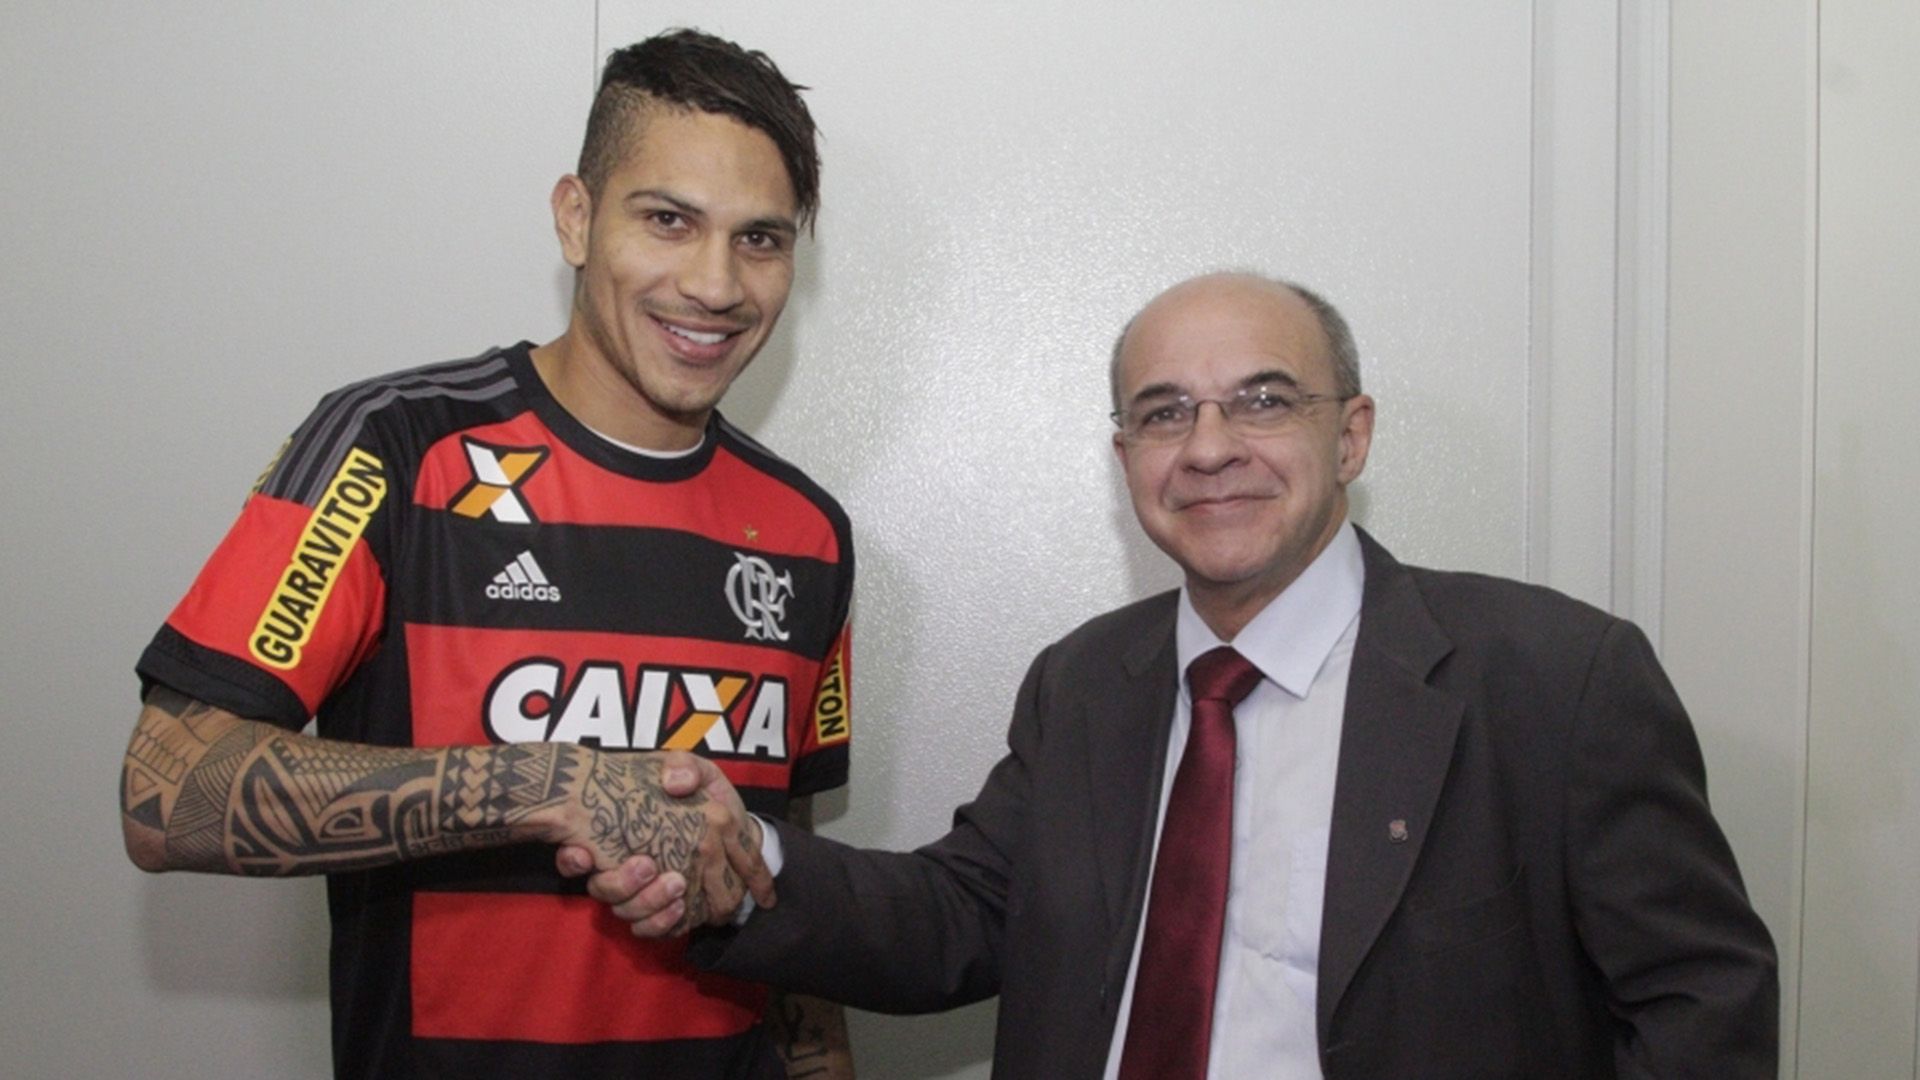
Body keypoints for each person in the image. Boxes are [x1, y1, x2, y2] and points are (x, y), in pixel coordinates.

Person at [579, 272, 1779, 1078]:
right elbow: (962, 918)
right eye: (1164, 414)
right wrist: (749, 860)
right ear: (1125, 457)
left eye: (1263, 400)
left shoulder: (1555, 681)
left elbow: (1700, 1007)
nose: (1210, 448)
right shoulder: (1084, 685)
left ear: (1350, 433)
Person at [119, 29, 855, 1080]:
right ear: (575, 217)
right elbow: (164, 792)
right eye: (667, 220)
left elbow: (788, 890)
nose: (715, 283)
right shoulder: (392, 446)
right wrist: (550, 784)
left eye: (761, 239)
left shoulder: (808, 533)